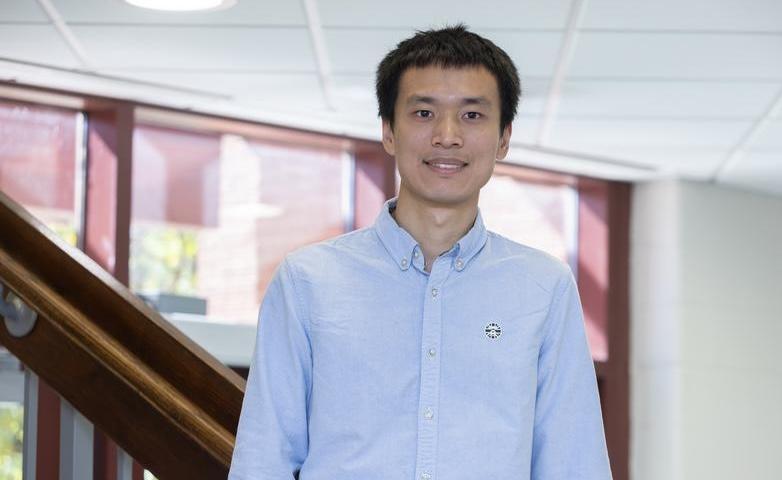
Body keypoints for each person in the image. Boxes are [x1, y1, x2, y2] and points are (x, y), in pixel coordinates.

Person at [228, 25, 612, 480]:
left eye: (472, 116)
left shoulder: (544, 288)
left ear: (504, 138)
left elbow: (573, 462)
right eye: (424, 112)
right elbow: (263, 460)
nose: (446, 136)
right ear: (389, 131)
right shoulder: (308, 281)